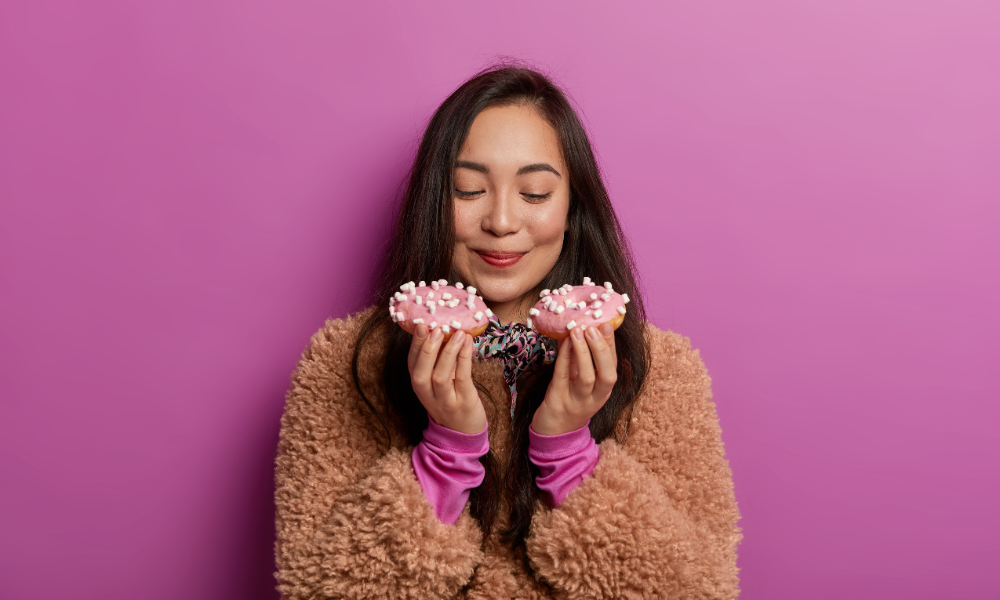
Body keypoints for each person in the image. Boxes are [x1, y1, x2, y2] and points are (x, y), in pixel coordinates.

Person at [273, 65, 742, 599]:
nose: (500, 221)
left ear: (572, 209)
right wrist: (446, 455)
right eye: (469, 189)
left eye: (535, 193)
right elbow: (318, 590)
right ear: (434, 201)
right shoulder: (346, 363)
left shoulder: (660, 368)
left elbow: (701, 590)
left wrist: (568, 453)